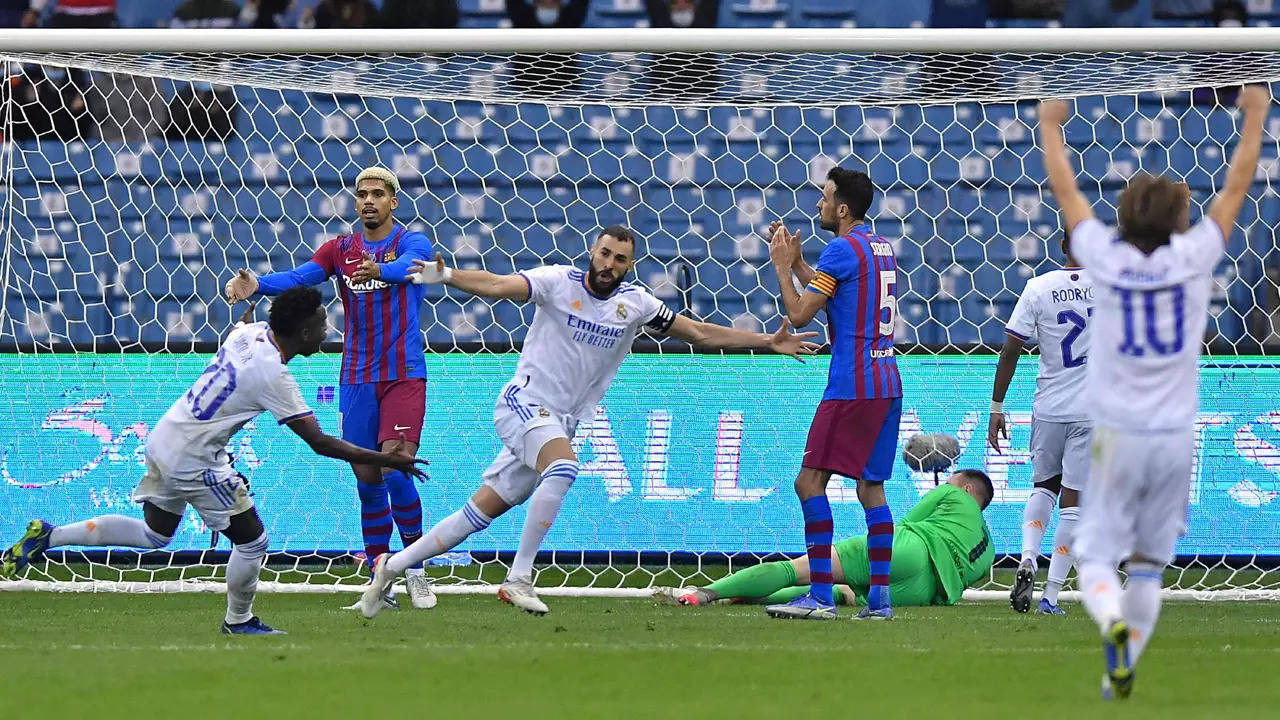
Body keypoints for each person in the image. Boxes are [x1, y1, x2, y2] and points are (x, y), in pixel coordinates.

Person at [356, 225, 820, 618]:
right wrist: (445, 273)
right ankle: (519, 578)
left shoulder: (636, 305)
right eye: (605, 253)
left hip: (560, 421)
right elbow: (498, 285)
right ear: (591, 252)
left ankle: (392, 567)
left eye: (620, 259)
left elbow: (697, 332)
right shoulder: (558, 282)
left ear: (629, 266)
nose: (610, 263)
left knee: (480, 513)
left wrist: (767, 340)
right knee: (564, 467)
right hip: (524, 402)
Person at [0, 289, 428, 634]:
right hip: (195, 460)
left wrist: (246, 298)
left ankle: (49, 536)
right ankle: (238, 621)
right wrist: (389, 459)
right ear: (301, 331)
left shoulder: (251, 335)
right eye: (320, 323)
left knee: (155, 534)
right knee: (252, 541)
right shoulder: (273, 375)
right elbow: (320, 443)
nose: (326, 329)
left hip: (166, 437)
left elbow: (244, 321)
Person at [1037, 85, 1269, 700]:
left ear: (1123, 215)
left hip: (1115, 433)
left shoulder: (1102, 258)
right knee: (1147, 564)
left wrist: (1051, 126)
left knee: (1094, 555)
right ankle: (1122, 671)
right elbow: (1237, 189)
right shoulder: (1194, 257)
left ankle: (1110, 624)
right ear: (1180, 219)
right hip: (1173, 437)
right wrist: (1255, 117)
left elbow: (1066, 193)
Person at [224, 167, 437, 612]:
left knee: (397, 465)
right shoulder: (339, 250)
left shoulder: (411, 242)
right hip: (356, 375)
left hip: (403, 373)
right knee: (365, 476)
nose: (369, 201)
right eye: (362, 194)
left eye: (378, 194)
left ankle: (415, 568)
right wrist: (258, 284)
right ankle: (381, 576)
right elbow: (302, 277)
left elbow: (413, 271)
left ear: (393, 202)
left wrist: (384, 269)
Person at [764, 166, 902, 621]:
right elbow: (836, 289)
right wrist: (803, 264)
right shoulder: (878, 247)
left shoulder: (842, 250)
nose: (819, 205)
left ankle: (821, 595)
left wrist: (783, 270)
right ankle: (880, 601)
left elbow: (801, 315)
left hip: (852, 384)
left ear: (842, 209)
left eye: (824, 199)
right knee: (871, 488)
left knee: (808, 482)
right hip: (887, 383)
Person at [655, 470, 995, 609]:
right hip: (924, 592)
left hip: (910, 551)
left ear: (967, 488)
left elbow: (907, 521)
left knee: (801, 571)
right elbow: (970, 578)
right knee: (840, 593)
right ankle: (737, 598)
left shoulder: (953, 495)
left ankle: (704, 593)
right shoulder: (989, 548)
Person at [989, 230, 1092, 616]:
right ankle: (1050, 595)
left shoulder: (1038, 287)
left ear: (1062, 246)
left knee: (1044, 487)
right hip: (1092, 411)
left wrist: (996, 407)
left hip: (1048, 407)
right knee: (1075, 501)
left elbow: (1010, 349)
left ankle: (1028, 557)